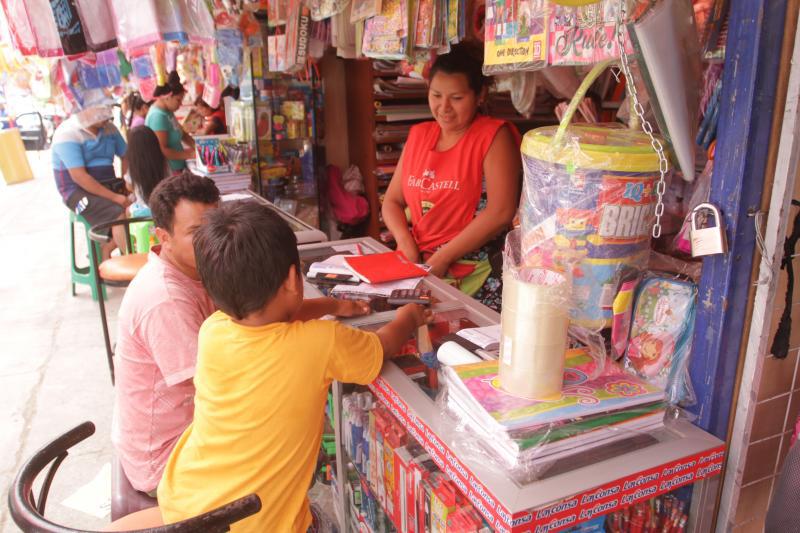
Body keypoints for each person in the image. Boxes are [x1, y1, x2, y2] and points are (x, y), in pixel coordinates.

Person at [157, 201, 431, 531]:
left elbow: (267, 319)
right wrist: (408, 317)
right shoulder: (321, 342)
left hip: (187, 504)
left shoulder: (214, 329)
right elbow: (382, 345)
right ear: (292, 277)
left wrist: (332, 304)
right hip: (258, 524)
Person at [112, 174, 372, 496]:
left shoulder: (199, 268)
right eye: (195, 232)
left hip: (194, 437)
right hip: (170, 463)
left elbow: (256, 314)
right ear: (162, 237)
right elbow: (238, 379)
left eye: (213, 227)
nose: (209, 240)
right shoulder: (165, 300)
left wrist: (332, 305)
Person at [381, 43, 521, 311]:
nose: (444, 107)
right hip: (422, 269)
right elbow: (391, 202)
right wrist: (405, 243)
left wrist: (443, 257)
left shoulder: (493, 136)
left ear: (480, 95)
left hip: (479, 276)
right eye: (436, 95)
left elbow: (501, 211)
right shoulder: (419, 135)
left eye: (456, 98)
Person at [52, 105, 130, 259]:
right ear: (84, 108)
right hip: (75, 192)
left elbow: (126, 155)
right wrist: (115, 197)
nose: (106, 116)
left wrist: (126, 182)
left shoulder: (110, 128)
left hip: (108, 184)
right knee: (117, 211)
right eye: (100, 110)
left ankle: (106, 248)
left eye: (107, 110)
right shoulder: (67, 133)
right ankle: (123, 262)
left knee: (137, 208)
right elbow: (80, 177)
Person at [145, 71, 195, 173]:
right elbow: (162, 149)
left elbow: (182, 134)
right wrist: (189, 154)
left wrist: (198, 147)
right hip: (169, 171)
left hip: (177, 167)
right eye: (178, 100)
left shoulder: (167, 112)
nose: (180, 104)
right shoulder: (158, 116)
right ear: (167, 97)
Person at [124, 126, 168, 216]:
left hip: (143, 211)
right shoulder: (163, 162)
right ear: (155, 143)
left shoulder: (133, 168)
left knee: (127, 211)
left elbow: (129, 186)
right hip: (163, 207)